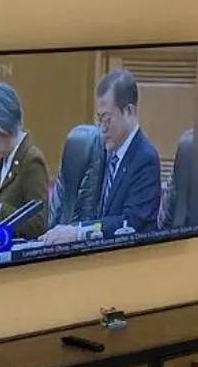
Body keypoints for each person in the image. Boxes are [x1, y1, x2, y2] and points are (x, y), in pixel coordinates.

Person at [42, 68, 160, 245]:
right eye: (99, 119)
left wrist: (79, 232)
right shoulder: (102, 150)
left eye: (107, 119)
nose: (102, 128)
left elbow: (130, 223)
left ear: (128, 111)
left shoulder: (145, 159)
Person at [0, 82, 51, 240]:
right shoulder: (1, 157)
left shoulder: (31, 160)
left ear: (3, 126)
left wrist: (0, 210)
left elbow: (39, 224)